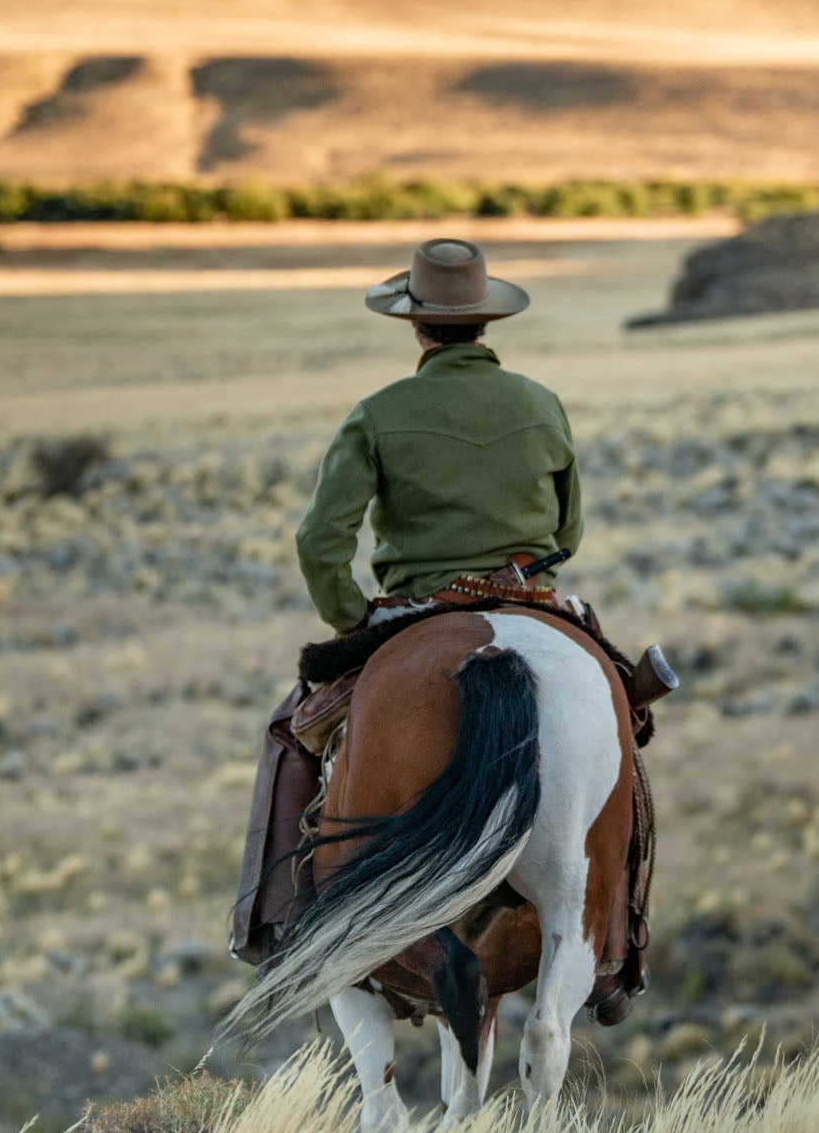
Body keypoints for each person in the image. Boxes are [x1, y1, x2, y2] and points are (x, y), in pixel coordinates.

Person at [231, 238, 668, 1020]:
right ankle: (621, 945)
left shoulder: (379, 414)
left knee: (294, 729)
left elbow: (318, 541)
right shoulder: (542, 403)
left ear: (417, 326)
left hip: (417, 610)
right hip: (533, 597)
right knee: (624, 728)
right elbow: (570, 526)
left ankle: (276, 926)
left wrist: (354, 621)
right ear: (485, 321)